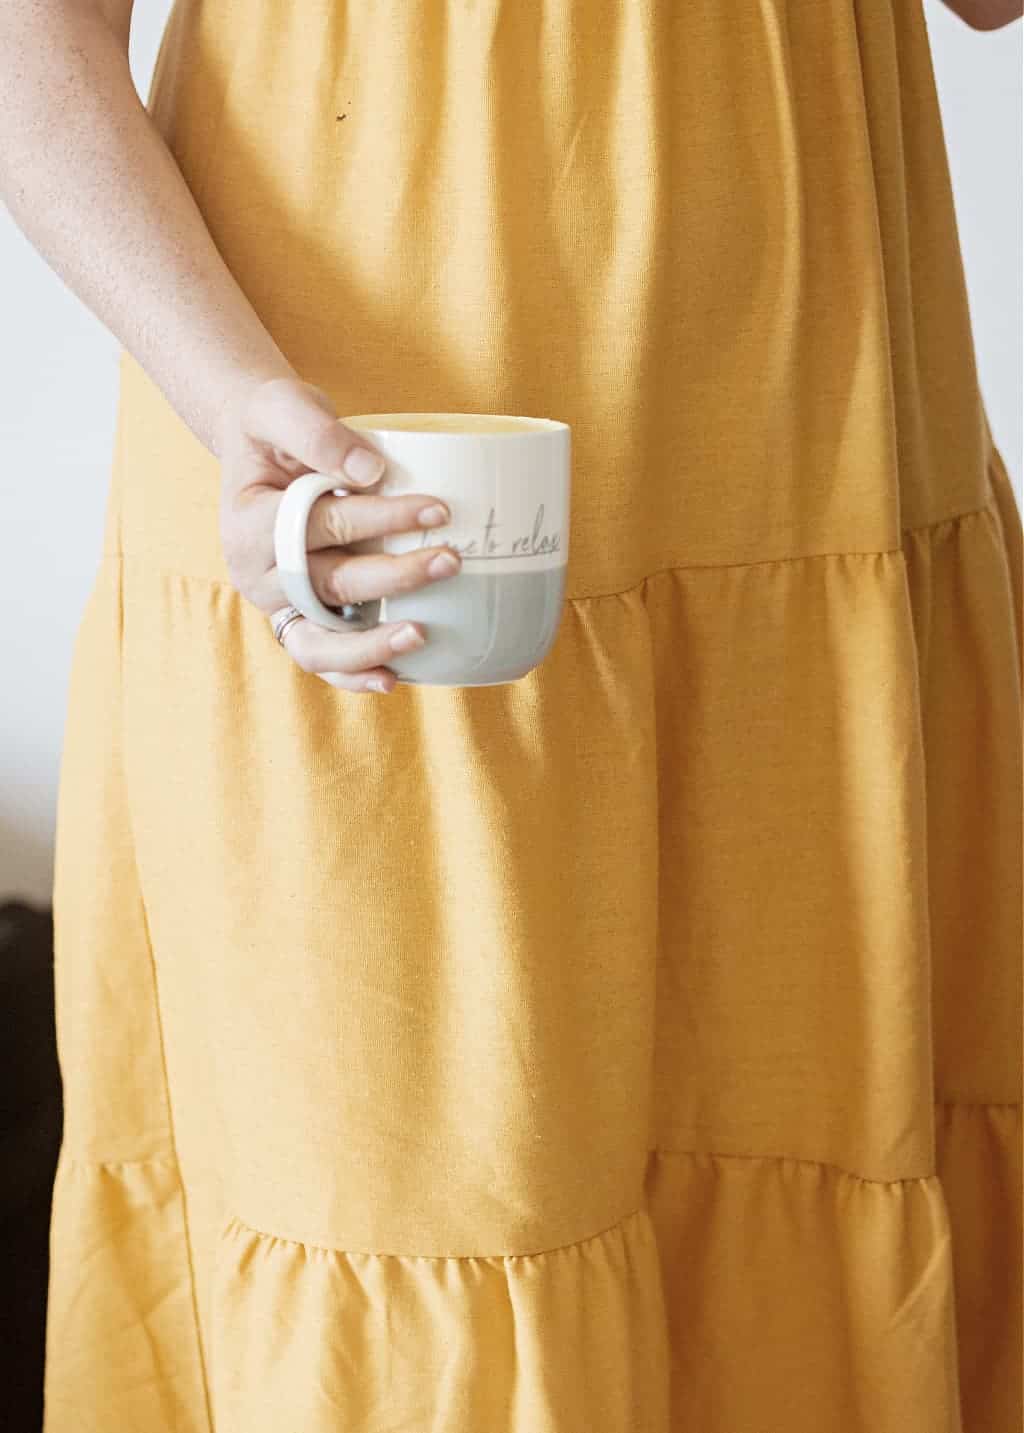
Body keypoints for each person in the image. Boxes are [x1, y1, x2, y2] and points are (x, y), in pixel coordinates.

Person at [1, 0, 1020, 1429]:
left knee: (804, 1219)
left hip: (802, 445)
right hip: (352, 476)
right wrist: (228, 397)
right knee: (415, 1239)